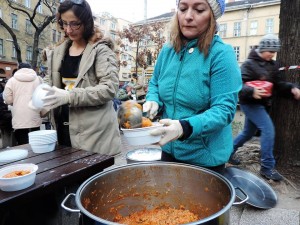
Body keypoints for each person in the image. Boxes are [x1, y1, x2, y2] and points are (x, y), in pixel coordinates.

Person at [143, 0, 242, 174]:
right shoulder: (167, 51)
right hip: (168, 150)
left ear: (212, 16)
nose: (188, 16)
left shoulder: (221, 55)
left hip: (204, 159)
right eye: (182, 8)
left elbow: (224, 110)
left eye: (199, 9)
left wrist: (184, 127)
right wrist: (153, 99)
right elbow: (155, 83)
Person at [42, 0, 121, 155]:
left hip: (94, 135)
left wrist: (69, 96)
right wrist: (40, 97)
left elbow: (109, 89)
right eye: (64, 23)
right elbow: (50, 82)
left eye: (74, 24)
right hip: (63, 130)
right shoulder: (58, 52)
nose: (68, 30)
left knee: (90, 178)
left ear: (86, 22)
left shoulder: (101, 50)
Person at [229, 34, 300, 181]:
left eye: (274, 52)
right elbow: (237, 85)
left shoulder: (273, 65)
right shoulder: (249, 64)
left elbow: (279, 86)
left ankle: (228, 152)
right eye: (270, 51)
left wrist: (292, 88)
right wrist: (252, 91)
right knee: (268, 130)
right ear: (263, 48)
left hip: (264, 105)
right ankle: (267, 167)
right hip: (250, 103)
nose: (272, 55)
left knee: (248, 133)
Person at [3, 63, 42, 145]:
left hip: (19, 116)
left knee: (23, 143)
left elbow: (8, 100)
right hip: (34, 114)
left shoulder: (11, 81)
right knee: (36, 143)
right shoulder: (38, 79)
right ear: (31, 69)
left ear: (18, 69)